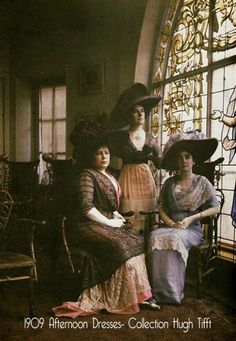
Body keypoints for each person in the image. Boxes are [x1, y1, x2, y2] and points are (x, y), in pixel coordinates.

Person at [52, 120, 160, 318]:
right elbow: (87, 209)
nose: (104, 157)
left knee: (135, 239)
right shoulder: (87, 175)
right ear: (91, 156)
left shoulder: (109, 175)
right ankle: (119, 297)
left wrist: (116, 216)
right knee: (120, 246)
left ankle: (139, 295)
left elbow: (109, 207)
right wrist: (110, 222)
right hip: (86, 226)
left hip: (106, 222)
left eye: (107, 153)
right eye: (99, 153)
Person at [147, 130, 220, 305]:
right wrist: (171, 222)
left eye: (187, 156)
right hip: (172, 225)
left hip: (191, 230)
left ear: (194, 160)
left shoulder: (202, 182)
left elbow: (216, 208)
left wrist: (191, 218)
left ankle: (172, 293)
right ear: (176, 162)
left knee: (174, 237)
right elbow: (161, 207)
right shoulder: (169, 183)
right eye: (180, 157)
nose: (184, 160)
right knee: (154, 236)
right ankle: (158, 291)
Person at [108, 83, 162, 233]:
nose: (140, 114)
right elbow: (105, 158)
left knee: (147, 217)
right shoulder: (120, 138)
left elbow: (159, 163)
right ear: (128, 115)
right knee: (129, 215)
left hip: (146, 180)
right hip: (127, 178)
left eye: (142, 111)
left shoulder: (150, 138)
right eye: (135, 111)